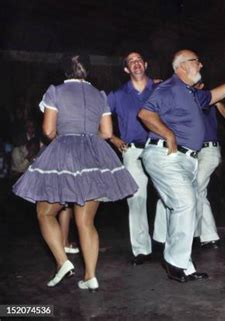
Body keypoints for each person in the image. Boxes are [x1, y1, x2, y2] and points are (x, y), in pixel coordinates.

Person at [12, 54, 138, 291]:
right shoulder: (99, 95)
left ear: (64, 71)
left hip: (64, 156)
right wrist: (89, 139)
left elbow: (48, 130)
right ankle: (90, 276)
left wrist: (66, 139)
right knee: (86, 222)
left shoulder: (55, 91)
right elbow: (108, 133)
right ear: (88, 71)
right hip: (94, 157)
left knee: (44, 212)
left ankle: (62, 262)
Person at [138, 49, 225, 282]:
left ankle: (183, 264)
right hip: (165, 155)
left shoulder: (189, 92)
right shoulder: (169, 88)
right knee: (186, 204)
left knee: (186, 206)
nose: (201, 65)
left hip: (186, 159)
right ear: (182, 67)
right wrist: (169, 135)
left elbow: (213, 96)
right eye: (196, 61)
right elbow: (145, 114)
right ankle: (174, 263)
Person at [107, 52, 160, 265]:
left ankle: (168, 242)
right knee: (136, 201)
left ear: (145, 64)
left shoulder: (159, 89)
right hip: (132, 151)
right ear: (126, 69)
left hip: (159, 148)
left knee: (170, 196)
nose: (136, 64)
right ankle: (141, 250)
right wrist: (113, 138)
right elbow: (97, 117)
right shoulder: (118, 94)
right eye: (131, 61)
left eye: (139, 60)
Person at [194, 82, 225, 248]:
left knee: (196, 189)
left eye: (197, 85)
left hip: (209, 150)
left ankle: (192, 234)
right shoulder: (186, 99)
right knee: (199, 192)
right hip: (193, 152)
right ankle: (209, 236)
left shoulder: (206, 100)